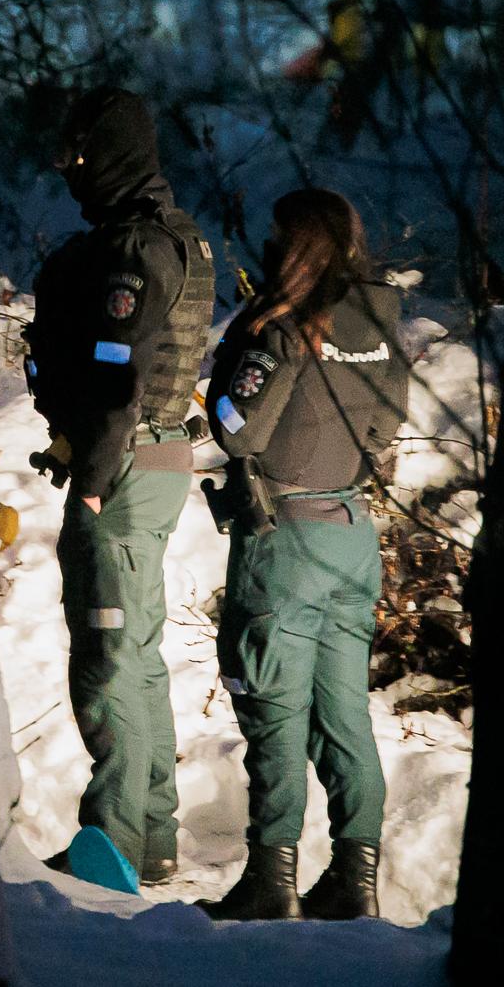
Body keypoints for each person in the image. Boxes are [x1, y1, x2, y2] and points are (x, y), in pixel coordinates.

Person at [197, 189, 408, 922]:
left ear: (300, 247)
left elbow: (235, 431)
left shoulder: (285, 328)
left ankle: (271, 877)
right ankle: (356, 878)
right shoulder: (378, 320)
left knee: (275, 707)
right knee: (345, 714)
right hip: (352, 529)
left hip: (285, 539)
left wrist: (232, 362)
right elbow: (387, 422)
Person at [24, 84, 216, 882]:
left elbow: (116, 372)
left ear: (109, 153)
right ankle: (153, 834)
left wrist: (94, 476)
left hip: (128, 465)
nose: (70, 170)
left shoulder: (135, 249)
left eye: (78, 154)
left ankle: (111, 842)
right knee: (136, 654)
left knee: (105, 656)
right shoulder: (178, 237)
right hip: (160, 458)